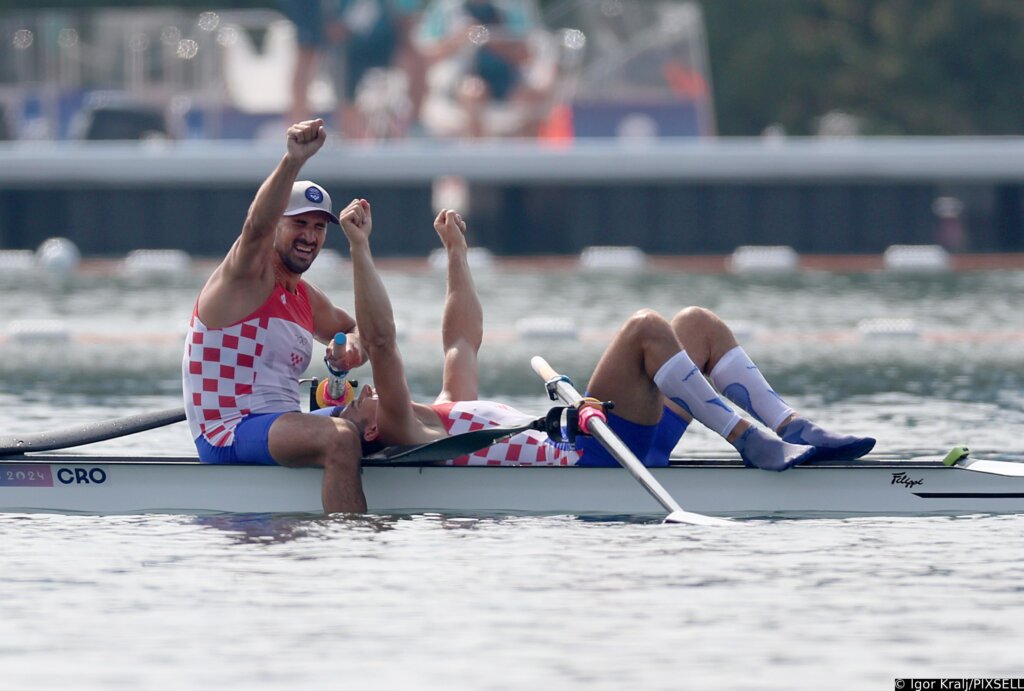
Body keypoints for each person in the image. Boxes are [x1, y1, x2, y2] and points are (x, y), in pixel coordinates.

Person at [334, 203, 876, 470]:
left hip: (621, 443)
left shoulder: (451, 407)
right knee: (645, 328)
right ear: (374, 432)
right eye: (354, 410)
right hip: (595, 456)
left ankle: (794, 428)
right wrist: (360, 250)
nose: (360, 394)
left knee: (698, 325)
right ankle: (751, 444)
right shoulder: (409, 430)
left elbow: (461, 339)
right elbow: (381, 344)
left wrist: (456, 254)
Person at [181, 119, 369, 513]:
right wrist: (292, 161)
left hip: (278, 426)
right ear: (277, 227)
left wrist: (351, 351)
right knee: (340, 438)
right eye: (299, 223)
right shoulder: (244, 276)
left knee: (382, 413)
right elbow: (256, 226)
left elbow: (357, 329)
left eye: (319, 228)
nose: (310, 237)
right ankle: (353, 547)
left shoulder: (304, 296)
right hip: (228, 431)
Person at [414, 0, 554, 138]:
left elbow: (528, 52)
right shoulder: (444, 8)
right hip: (461, 83)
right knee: (473, 92)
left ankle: (525, 157)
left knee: (536, 96)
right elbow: (425, 55)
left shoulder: (513, 7)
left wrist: (491, 40)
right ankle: (477, 155)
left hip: (508, 81)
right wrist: (458, 40)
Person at [279, 1, 330, 124]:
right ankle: (298, 115)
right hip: (306, 8)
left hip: (312, 9)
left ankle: (300, 111)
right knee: (306, 55)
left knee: (310, 57)